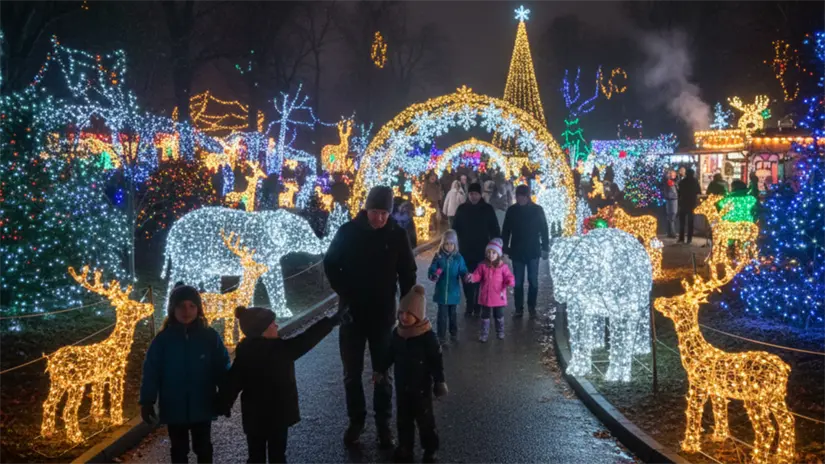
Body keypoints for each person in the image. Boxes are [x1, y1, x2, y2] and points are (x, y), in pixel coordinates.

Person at [323, 185, 417, 448]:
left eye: (384, 213)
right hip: (351, 314)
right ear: (366, 209)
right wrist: (344, 290)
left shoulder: (397, 236)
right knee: (351, 373)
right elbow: (331, 263)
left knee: (382, 371)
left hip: (383, 314)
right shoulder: (348, 232)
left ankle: (383, 424)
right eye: (375, 212)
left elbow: (408, 272)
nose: (379, 218)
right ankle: (357, 420)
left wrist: (407, 304)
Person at [221, 305, 348, 464]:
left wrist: (224, 402)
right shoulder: (282, 350)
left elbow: (233, 381)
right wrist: (330, 322)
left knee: (255, 456)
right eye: (272, 323)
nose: (276, 326)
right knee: (278, 455)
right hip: (279, 415)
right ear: (263, 330)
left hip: (254, 417)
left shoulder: (245, 354)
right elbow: (307, 339)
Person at [139, 284, 230, 464]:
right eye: (181, 306)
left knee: (203, 446)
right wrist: (147, 400)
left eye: (191, 306)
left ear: (198, 309)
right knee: (179, 449)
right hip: (174, 406)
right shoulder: (163, 340)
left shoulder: (209, 337)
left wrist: (226, 394)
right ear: (173, 308)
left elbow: (221, 366)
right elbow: (151, 370)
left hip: (202, 403)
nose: (186, 311)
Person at [374, 285, 447, 464]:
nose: (404, 317)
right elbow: (389, 354)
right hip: (402, 386)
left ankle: (430, 449)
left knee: (425, 420)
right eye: (401, 313)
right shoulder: (397, 334)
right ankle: (405, 446)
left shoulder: (427, 337)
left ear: (419, 315)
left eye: (409, 313)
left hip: (421, 388)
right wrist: (380, 370)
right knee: (403, 419)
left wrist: (439, 381)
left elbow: (436, 361)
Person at [452, 182, 501, 317]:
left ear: (480, 194)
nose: (473, 197)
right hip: (465, 250)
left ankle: (478, 303)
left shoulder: (487, 209)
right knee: (466, 278)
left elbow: (494, 228)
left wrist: (496, 244)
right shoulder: (462, 209)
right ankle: (469, 302)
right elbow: (454, 228)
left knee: (480, 278)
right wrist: (453, 243)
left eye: (476, 194)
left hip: (482, 250)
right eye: (471, 194)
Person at [501, 185, 549, 318]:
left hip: (533, 250)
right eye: (518, 196)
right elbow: (506, 230)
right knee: (518, 282)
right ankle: (519, 308)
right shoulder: (512, 210)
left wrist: (545, 247)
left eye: (522, 196)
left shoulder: (537, 210)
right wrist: (504, 247)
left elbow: (544, 229)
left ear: (528, 197)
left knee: (533, 280)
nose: (520, 199)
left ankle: (531, 307)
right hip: (517, 251)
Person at [466, 238, 515, 342]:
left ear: (498, 254)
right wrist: (472, 277)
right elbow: (477, 275)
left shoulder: (503, 267)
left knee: (499, 315)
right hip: (486, 296)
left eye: (494, 252)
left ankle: (500, 331)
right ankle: (484, 333)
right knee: (485, 316)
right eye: (489, 252)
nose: (491, 255)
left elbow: (508, 276)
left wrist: (510, 281)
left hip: (498, 296)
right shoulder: (482, 265)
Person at [427, 229, 468, 345]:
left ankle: (453, 333)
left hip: (453, 292)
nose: (449, 246)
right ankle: (441, 336)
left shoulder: (458, 258)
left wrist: (466, 276)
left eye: (451, 244)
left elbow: (463, 270)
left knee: (453, 315)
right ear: (442, 244)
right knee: (442, 316)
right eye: (446, 243)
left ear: (455, 244)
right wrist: (434, 275)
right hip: (441, 292)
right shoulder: (438, 257)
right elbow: (432, 270)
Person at [678, 168, 701, 244]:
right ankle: (689, 239)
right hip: (691, 203)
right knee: (690, 222)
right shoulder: (695, 181)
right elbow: (698, 191)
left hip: (683, 203)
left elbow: (679, 192)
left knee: (682, 222)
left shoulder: (682, 182)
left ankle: (681, 238)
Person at [663, 169, 679, 238]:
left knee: (670, 216)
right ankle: (672, 233)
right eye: (672, 174)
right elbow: (674, 191)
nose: (674, 175)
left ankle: (670, 232)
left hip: (670, 199)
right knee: (672, 215)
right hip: (672, 200)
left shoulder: (669, 181)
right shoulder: (670, 182)